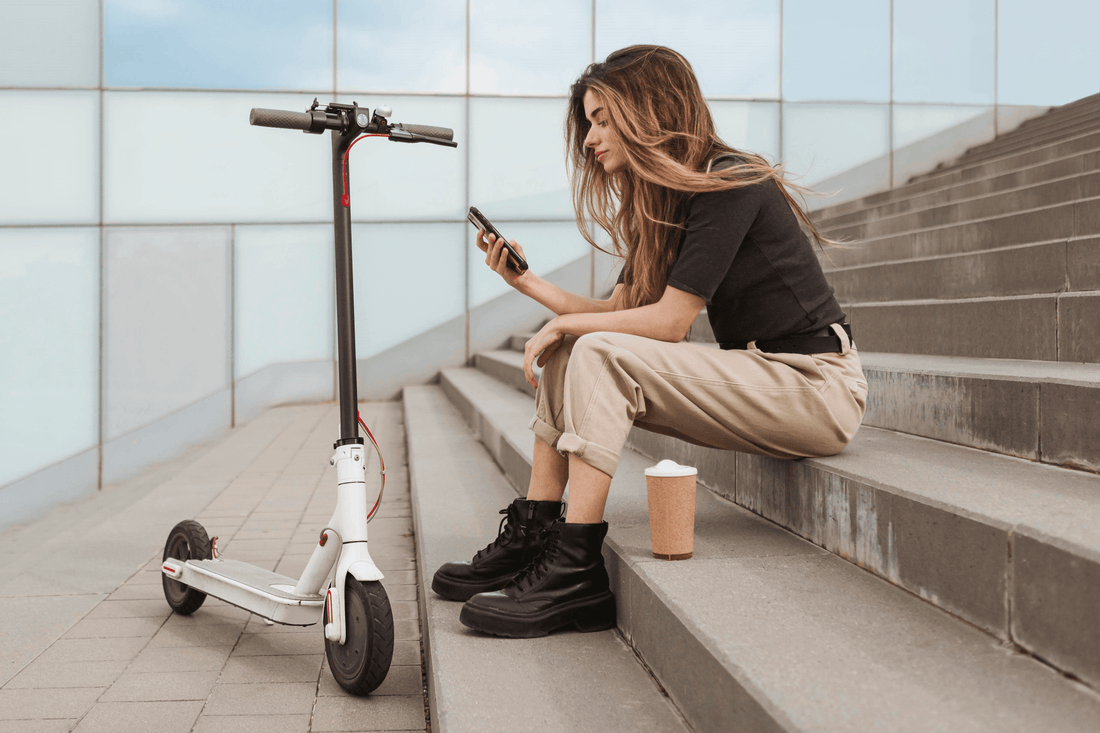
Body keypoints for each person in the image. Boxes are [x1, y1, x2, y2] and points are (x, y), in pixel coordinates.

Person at [432, 45, 868, 638]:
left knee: (591, 346)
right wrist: (526, 283)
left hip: (816, 387)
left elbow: (667, 324)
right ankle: (536, 533)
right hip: (762, 375)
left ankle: (576, 568)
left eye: (603, 119)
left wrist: (565, 326)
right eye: (589, 122)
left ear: (651, 111)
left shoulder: (730, 180)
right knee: (574, 347)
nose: (590, 138)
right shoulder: (667, 199)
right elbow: (618, 314)